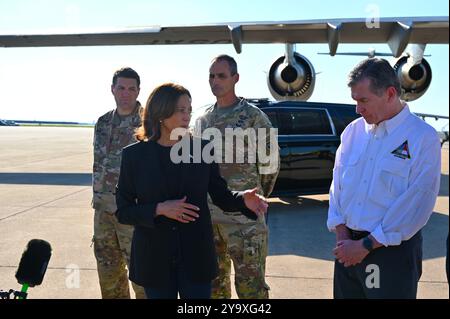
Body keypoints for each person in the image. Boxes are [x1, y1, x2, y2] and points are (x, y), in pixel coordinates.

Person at [115, 83, 269, 299]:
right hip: (155, 261)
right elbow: (124, 211)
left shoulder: (202, 149)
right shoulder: (134, 156)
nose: (187, 115)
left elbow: (221, 195)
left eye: (189, 109)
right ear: (161, 112)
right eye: (180, 110)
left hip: (196, 259)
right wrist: (159, 209)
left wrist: (243, 199)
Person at [327, 58, 441, 299]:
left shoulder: (422, 137)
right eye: (355, 101)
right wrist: (343, 236)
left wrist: (365, 245)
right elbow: (337, 186)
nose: (358, 108)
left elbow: (417, 203)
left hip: (389, 254)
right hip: (347, 249)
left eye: (364, 100)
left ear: (390, 93)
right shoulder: (353, 132)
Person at [195, 55, 280, 299]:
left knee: (250, 289)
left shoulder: (254, 118)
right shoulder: (202, 120)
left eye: (221, 75)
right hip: (210, 221)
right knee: (214, 290)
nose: (215, 81)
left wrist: (253, 195)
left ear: (236, 78)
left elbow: (270, 165)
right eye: (211, 76)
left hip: (245, 220)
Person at [92, 67, 145, 299]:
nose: (126, 93)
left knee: (143, 278)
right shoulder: (103, 123)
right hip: (103, 214)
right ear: (112, 89)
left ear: (138, 91)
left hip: (132, 214)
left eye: (131, 88)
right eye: (121, 88)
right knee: (109, 276)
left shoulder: (149, 123)